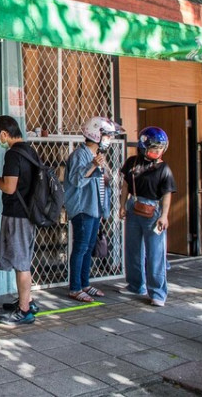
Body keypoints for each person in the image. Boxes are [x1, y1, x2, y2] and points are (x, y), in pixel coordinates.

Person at [0, 115, 38, 325]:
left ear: (5, 133)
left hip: (17, 215)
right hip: (27, 214)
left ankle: (24, 311)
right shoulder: (30, 151)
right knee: (22, 260)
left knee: (21, 263)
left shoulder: (13, 155)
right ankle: (26, 301)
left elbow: (10, 187)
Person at [64, 116, 121, 303]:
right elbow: (77, 181)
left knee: (88, 248)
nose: (109, 140)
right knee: (80, 247)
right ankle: (75, 287)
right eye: (107, 136)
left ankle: (85, 283)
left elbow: (103, 183)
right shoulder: (80, 155)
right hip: (82, 209)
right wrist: (93, 165)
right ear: (96, 134)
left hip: (94, 208)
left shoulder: (97, 156)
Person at [119, 126, 176, 307]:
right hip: (133, 207)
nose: (157, 151)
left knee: (155, 253)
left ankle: (158, 292)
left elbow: (167, 193)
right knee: (133, 249)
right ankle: (136, 285)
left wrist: (164, 216)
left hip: (154, 211)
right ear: (143, 146)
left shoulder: (164, 168)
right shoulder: (132, 162)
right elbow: (125, 186)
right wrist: (122, 205)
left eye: (160, 148)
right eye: (153, 148)